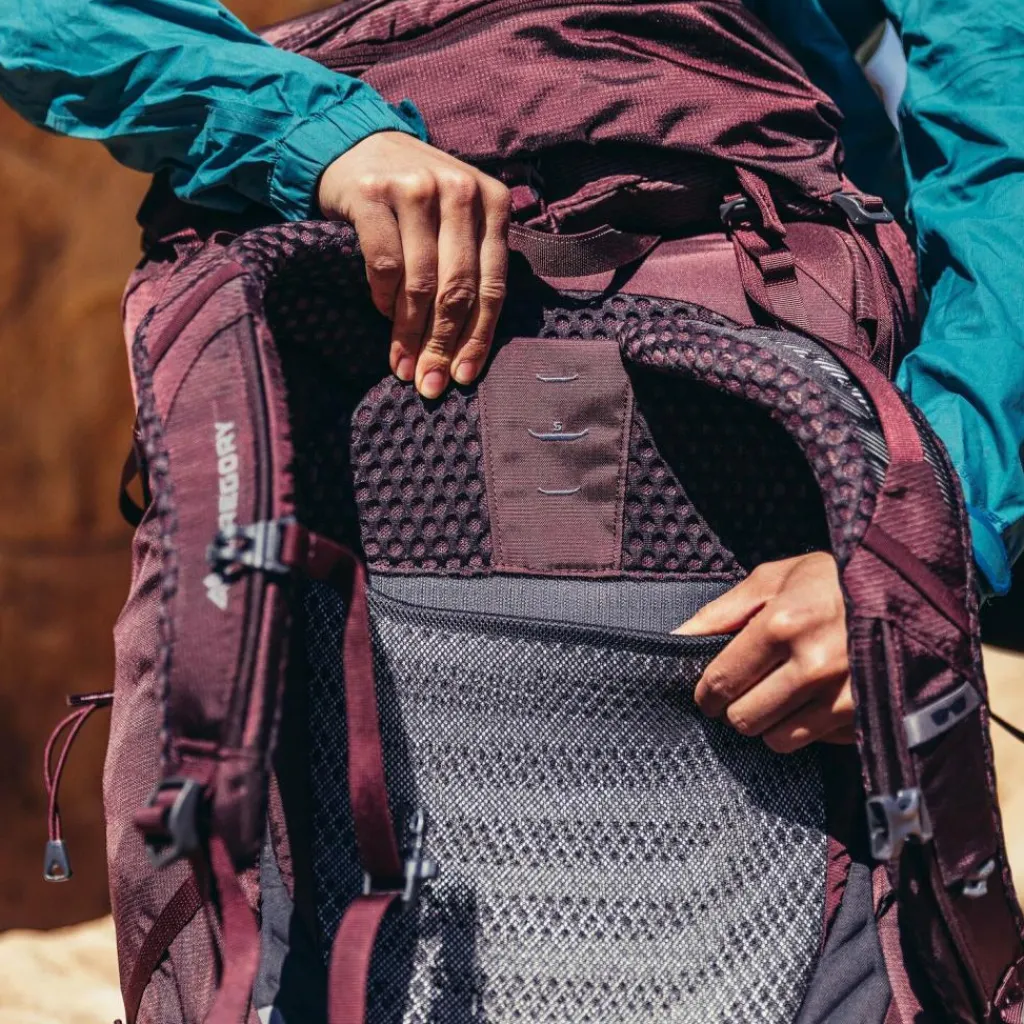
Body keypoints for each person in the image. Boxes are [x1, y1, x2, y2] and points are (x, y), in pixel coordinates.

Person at [1, 0, 1021, 756]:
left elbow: (997, 118)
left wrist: (920, 541)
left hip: (799, 506)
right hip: (335, 476)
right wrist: (316, 133)